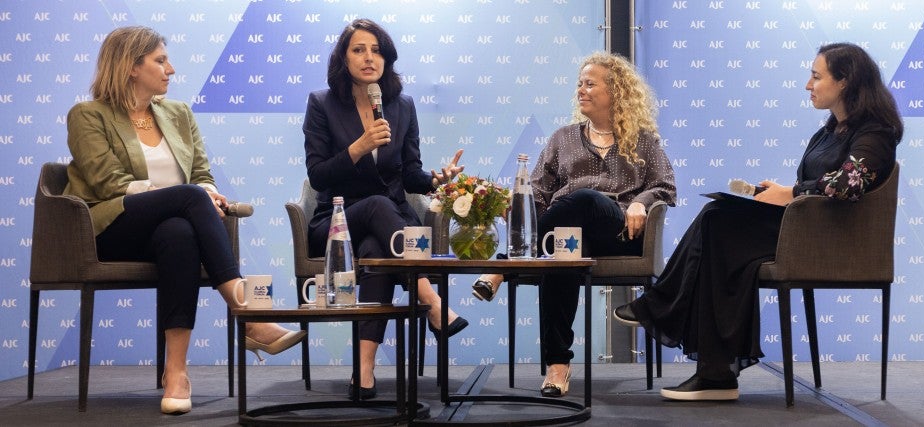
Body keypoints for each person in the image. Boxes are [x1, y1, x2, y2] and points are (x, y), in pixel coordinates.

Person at [612, 42, 903, 401]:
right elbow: (816, 188)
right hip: (805, 230)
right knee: (717, 220)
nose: (807, 85)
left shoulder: (875, 131)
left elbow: (849, 183)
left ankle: (678, 327)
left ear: (845, 81)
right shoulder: (830, 131)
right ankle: (712, 370)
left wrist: (792, 192)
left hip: (831, 244)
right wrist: (779, 192)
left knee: (718, 221)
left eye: (815, 76)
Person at [63, 26, 306, 415]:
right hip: (115, 227)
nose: (170, 69)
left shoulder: (178, 114)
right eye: (160, 60)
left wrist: (206, 191)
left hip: (171, 229)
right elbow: (109, 184)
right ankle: (247, 313)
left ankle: (176, 374)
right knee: (189, 200)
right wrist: (186, 196)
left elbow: (201, 174)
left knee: (179, 232)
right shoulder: (88, 116)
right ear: (130, 66)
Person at [469, 51, 676, 398]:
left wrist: (640, 202)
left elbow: (666, 186)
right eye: (580, 83)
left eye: (590, 84)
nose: (581, 90)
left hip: (619, 232)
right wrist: (513, 204)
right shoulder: (562, 138)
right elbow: (538, 191)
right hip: (566, 236)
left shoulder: (644, 140)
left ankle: (507, 263)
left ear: (616, 92)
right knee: (563, 253)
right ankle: (558, 367)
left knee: (585, 198)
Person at [303, 18, 468, 401]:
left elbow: (408, 174)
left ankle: (363, 372)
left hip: (386, 230)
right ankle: (432, 301)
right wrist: (358, 147)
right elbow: (318, 175)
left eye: (376, 50)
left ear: (387, 59)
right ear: (343, 59)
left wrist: (436, 180)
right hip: (336, 221)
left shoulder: (401, 105)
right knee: (378, 206)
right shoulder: (322, 104)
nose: (369, 58)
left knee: (377, 255)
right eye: (358, 50)